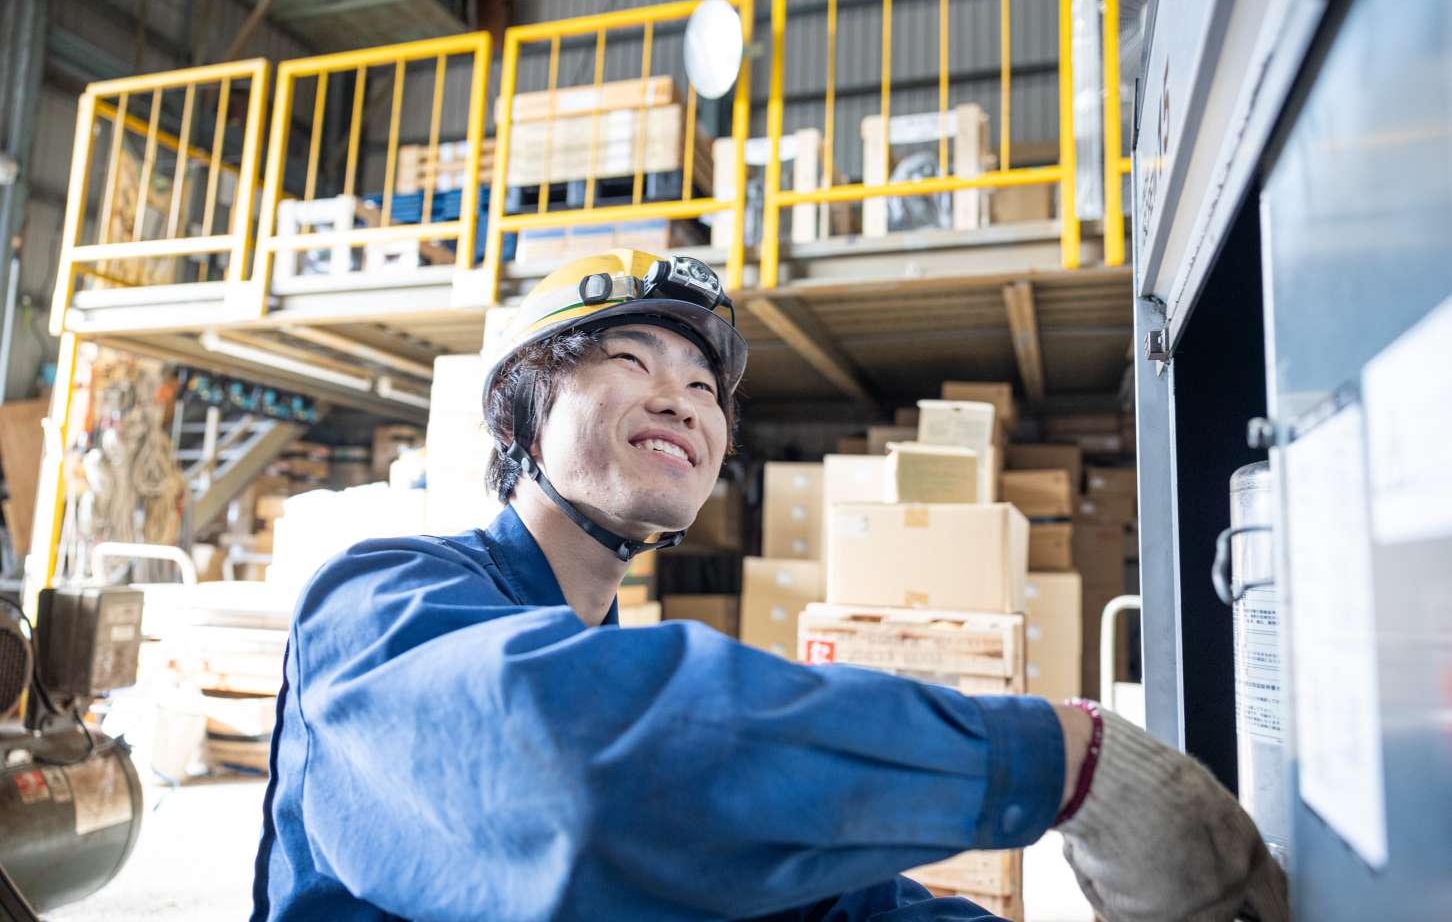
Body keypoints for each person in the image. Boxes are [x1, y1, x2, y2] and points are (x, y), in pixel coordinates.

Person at [251, 249, 1286, 922]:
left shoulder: (602, 647)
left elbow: (825, 904)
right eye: (631, 359)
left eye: (705, 386)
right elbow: (575, 764)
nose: (683, 399)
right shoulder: (380, 602)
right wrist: (1057, 758)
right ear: (522, 419)